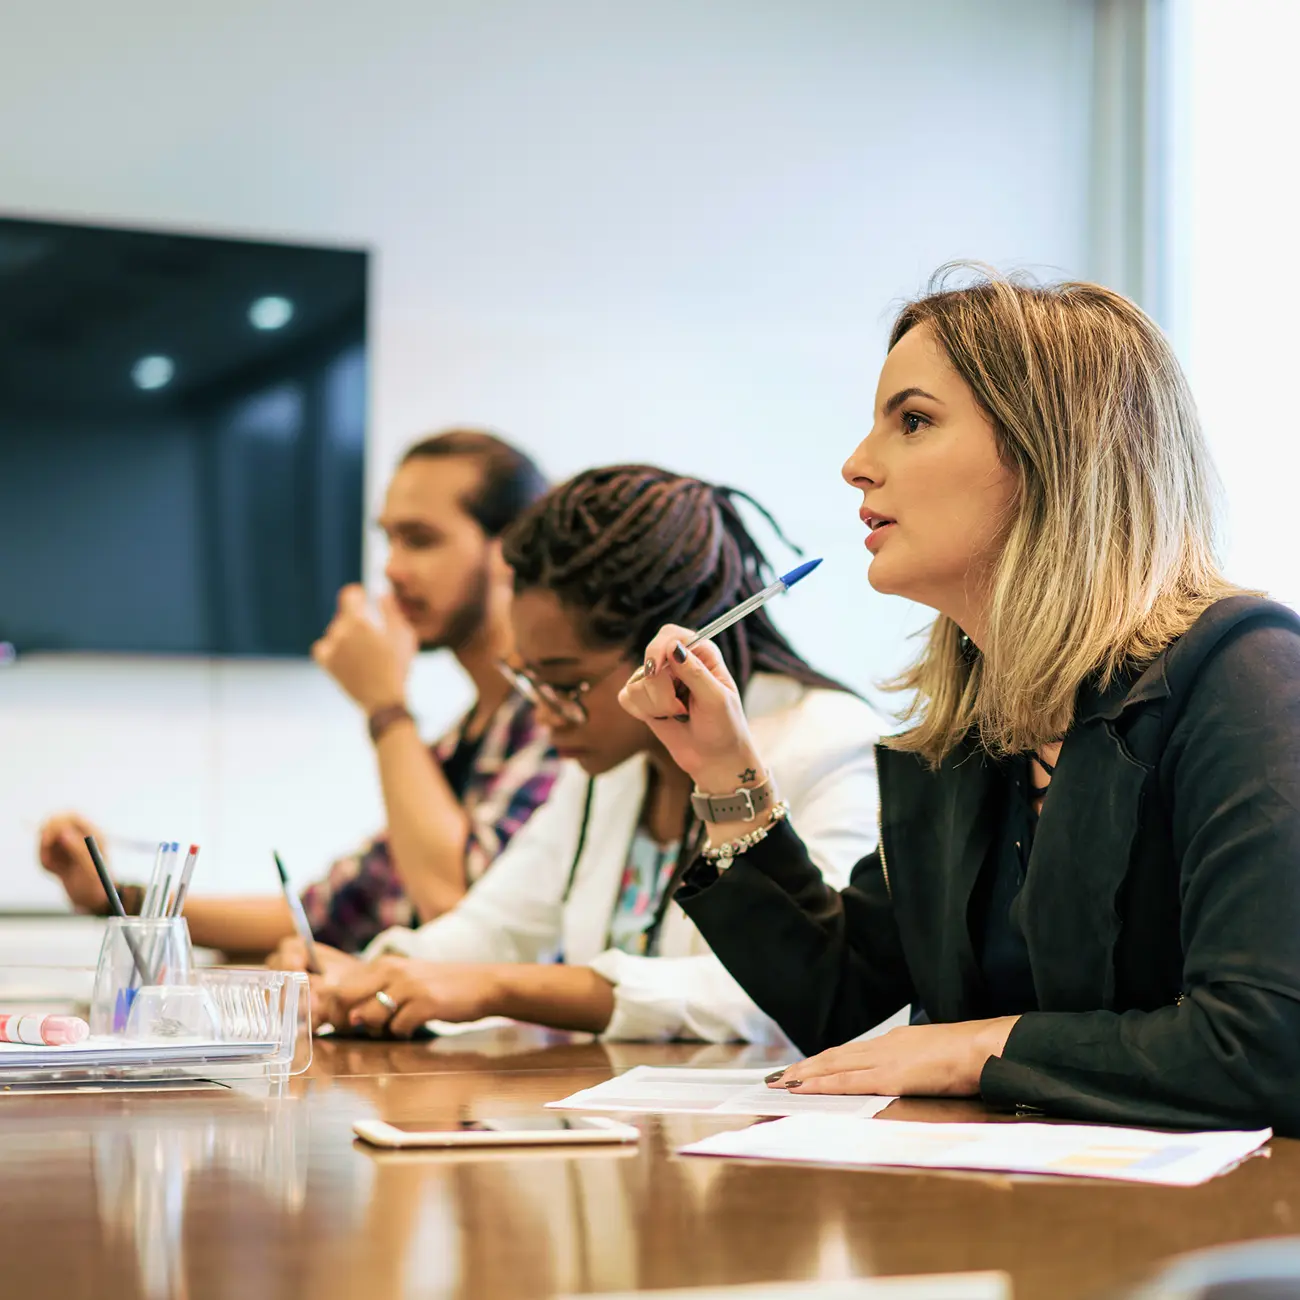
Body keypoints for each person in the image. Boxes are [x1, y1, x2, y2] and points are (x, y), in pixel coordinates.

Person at [621, 270, 1300, 1133]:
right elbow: (838, 996)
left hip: (1213, 1239)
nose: (856, 464)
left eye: (912, 421)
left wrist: (968, 1048)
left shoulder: (1246, 675)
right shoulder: (981, 728)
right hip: (1013, 1222)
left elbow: (1270, 1042)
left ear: (1053, 448)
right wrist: (724, 773)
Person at [279, 464, 887, 1043]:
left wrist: (497, 989)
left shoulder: (831, 744)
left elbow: (791, 992)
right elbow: (495, 928)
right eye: (530, 682)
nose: (544, 714)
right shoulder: (615, 760)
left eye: (567, 685)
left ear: (672, 653)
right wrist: (368, 977)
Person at [38, 429, 560, 956]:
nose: (392, 569)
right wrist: (112, 893)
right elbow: (320, 914)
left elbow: (461, 916)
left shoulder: (562, 723)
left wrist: (385, 706)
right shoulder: (463, 739)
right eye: (390, 540)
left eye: (420, 539)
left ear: (509, 547)